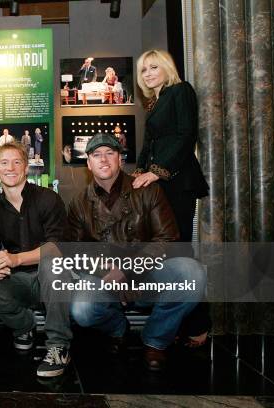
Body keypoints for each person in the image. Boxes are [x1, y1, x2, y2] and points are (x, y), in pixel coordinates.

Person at [67, 133, 206, 371]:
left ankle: (155, 340)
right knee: (82, 308)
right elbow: (76, 251)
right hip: (106, 278)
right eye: (96, 155)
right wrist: (106, 272)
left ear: (120, 159)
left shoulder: (147, 190)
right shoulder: (79, 202)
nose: (104, 160)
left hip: (147, 273)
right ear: (88, 163)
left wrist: (128, 269)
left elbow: (168, 238)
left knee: (192, 273)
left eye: (110, 153)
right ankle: (117, 329)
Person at [132, 49, 210, 346]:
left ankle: (199, 324)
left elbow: (185, 136)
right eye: (144, 70)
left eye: (154, 67)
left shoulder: (180, 91)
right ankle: (184, 319)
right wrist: (139, 172)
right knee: (170, 254)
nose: (149, 73)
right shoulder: (157, 100)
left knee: (180, 253)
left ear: (167, 67)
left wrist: (156, 172)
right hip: (162, 182)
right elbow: (149, 143)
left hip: (178, 181)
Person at [0, 142, 71, 377]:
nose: (11, 168)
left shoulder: (48, 199)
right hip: (19, 282)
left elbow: (56, 247)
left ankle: (59, 346)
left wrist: (15, 259)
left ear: (26, 168)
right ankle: (25, 326)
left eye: (17, 162)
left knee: (53, 265)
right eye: (4, 163)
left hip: (53, 280)